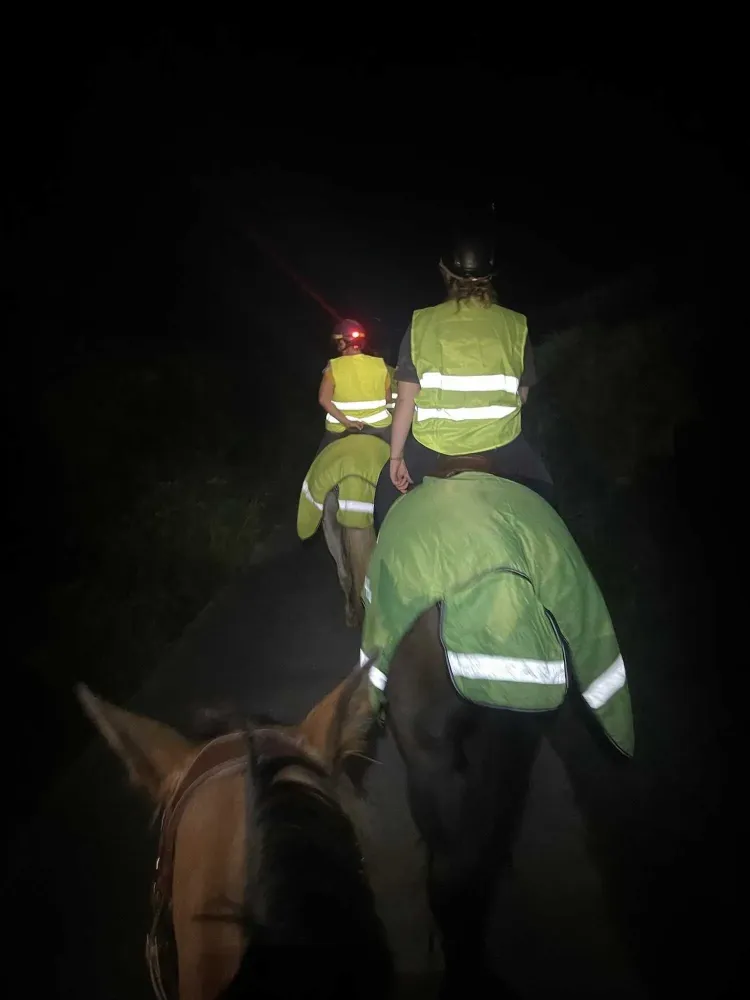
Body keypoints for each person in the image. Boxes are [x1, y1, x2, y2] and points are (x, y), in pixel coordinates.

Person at [373, 237, 554, 530]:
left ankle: (376, 574)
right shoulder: (515, 324)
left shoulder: (422, 323)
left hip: (432, 448)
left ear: (446, 274)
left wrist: (396, 457)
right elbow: (522, 395)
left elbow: (405, 400)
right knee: (546, 497)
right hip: (503, 446)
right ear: (490, 276)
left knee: (384, 505)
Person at [316, 318, 392, 455]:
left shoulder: (333, 366)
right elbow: (387, 398)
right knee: (395, 459)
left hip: (340, 429)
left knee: (321, 462)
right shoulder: (380, 364)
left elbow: (323, 399)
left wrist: (347, 422)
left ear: (341, 343)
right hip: (379, 428)